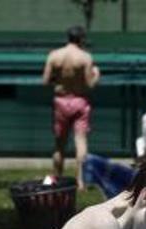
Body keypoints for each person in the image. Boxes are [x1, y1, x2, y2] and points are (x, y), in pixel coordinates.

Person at [42, 25, 101, 188]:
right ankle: (81, 181)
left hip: (61, 100)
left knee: (59, 143)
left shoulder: (54, 55)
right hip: (79, 101)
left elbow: (46, 80)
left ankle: (57, 178)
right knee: (80, 140)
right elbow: (90, 84)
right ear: (81, 39)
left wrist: (59, 80)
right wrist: (96, 75)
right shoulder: (85, 57)